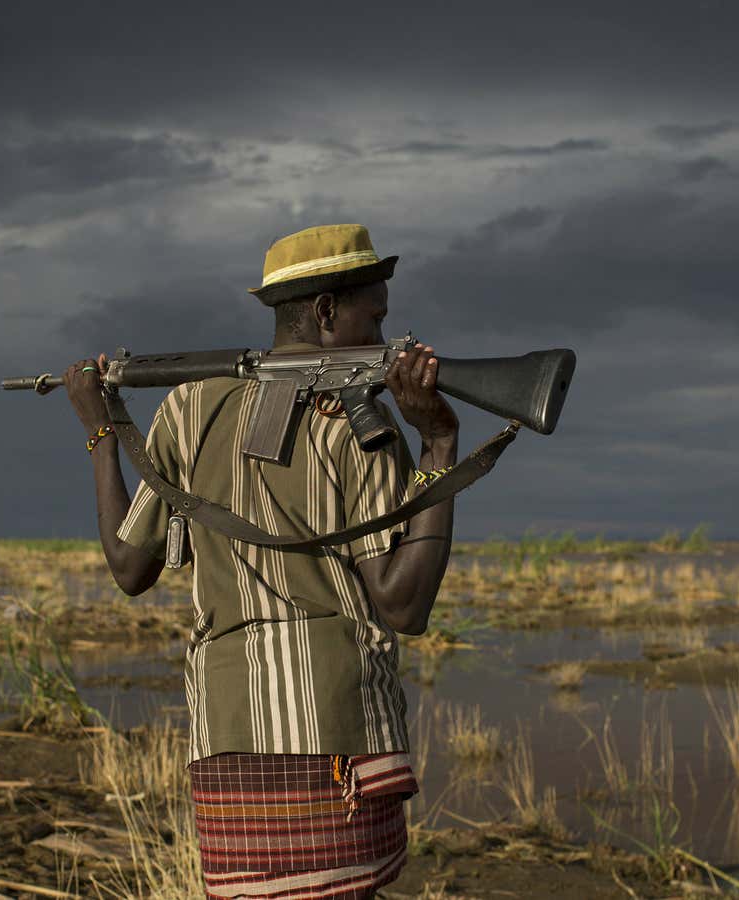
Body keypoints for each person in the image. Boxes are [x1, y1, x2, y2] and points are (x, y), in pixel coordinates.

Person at [63, 223, 459, 898]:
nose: (393, 340)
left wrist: (102, 430)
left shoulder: (187, 409)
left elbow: (131, 569)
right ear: (328, 312)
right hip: (337, 734)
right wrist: (440, 446)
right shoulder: (356, 425)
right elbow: (403, 605)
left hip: (227, 736)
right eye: (377, 318)